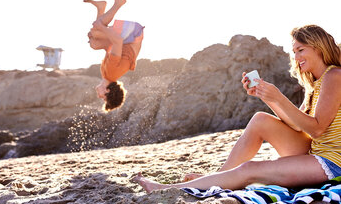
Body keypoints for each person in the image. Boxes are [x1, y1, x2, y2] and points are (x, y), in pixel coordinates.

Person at [134, 24, 341, 193]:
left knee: (250, 169)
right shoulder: (315, 83)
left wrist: (278, 95)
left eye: (301, 50)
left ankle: (168, 189)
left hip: (332, 162)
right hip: (313, 151)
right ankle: (218, 176)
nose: (296, 57)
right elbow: (297, 127)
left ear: (318, 47)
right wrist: (268, 97)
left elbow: (317, 129)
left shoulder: (334, 76)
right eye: (294, 51)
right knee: (261, 119)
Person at [85, 0, 144, 111]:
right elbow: (118, 41)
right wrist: (100, 28)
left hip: (126, 42)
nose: (99, 96)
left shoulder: (106, 74)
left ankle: (101, 7)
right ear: (107, 91)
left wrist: (96, 41)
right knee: (96, 31)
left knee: (94, 42)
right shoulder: (111, 72)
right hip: (134, 35)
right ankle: (118, 3)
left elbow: (110, 47)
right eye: (103, 98)